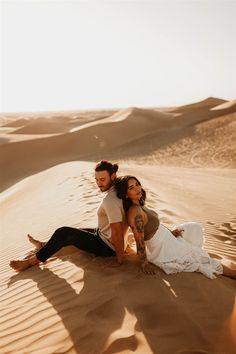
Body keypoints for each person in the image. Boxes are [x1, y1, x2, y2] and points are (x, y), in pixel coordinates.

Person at [10, 161, 129, 272]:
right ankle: (43, 245)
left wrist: (119, 260)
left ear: (113, 176)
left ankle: (31, 262)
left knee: (63, 232)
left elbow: (117, 231)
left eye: (102, 179)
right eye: (97, 180)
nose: (99, 184)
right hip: (105, 236)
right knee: (78, 231)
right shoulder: (119, 192)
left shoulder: (110, 200)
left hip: (107, 248)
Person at [115, 175, 236, 279]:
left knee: (193, 230)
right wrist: (144, 264)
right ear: (125, 194)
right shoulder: (135, 211)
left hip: (168, 239)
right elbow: (139, 240)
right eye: (131, 188)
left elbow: (152, 226)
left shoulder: (138, 205)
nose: (137, 188)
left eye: (137, 184)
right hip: (165, 248)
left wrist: (170, 233)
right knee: (204, 260)